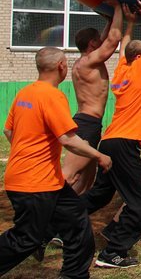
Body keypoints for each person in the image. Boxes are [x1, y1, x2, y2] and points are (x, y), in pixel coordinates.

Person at [0, 47, 112, 279]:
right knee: (26, 238)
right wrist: (98, 155)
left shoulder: (24, 93)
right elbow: (68, 139)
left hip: (44, 180)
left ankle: (74, 274)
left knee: (76, 221)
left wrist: (28, 151)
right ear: (61, 66)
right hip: (34, 184)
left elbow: (8, 130)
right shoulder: (52, 96)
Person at [82, 0, 141, 269]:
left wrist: (129, 25)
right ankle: (112, 252)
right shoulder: (140, 67)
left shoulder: (122, 70)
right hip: (124, 144)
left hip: (109, 142)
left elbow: (123, 50)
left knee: (100, 195)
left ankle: (56, 224)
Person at [62, 0, 123, 195]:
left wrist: (108, 21)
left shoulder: (84, 61)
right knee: (69, 175)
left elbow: (105, 38)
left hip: (91, 123)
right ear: (92, 44)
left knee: (86, 179)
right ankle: (43, 218)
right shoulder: (89, 62)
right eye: (98, 40)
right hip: (86, 125)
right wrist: (116, 8)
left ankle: (71, 220)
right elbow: (113, 39)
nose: (101, 39)